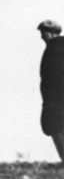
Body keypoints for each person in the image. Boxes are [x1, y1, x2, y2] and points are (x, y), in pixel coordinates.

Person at [38, 19, 64, 164]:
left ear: (53, 33)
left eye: (44, 32)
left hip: (57, 100)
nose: (42, 35)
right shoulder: (54, 47)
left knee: (56, 127)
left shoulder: (56, 49)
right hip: (54, 99)